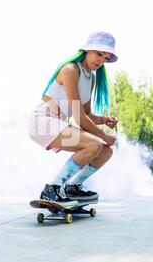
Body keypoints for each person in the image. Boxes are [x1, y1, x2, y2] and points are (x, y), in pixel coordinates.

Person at [28, 31, 119, 206]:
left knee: (105, 151)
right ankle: (52, 189)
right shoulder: (70, 69)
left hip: (59, 123)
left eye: (106, 58)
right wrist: (104, 136)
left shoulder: (90, 78)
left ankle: (73, 187)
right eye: (99, 53)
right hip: (42, 122)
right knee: (95, 144)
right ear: (87, 50)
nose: (101, 61)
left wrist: (104, 120)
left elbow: (87, 114)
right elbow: (78, 116)